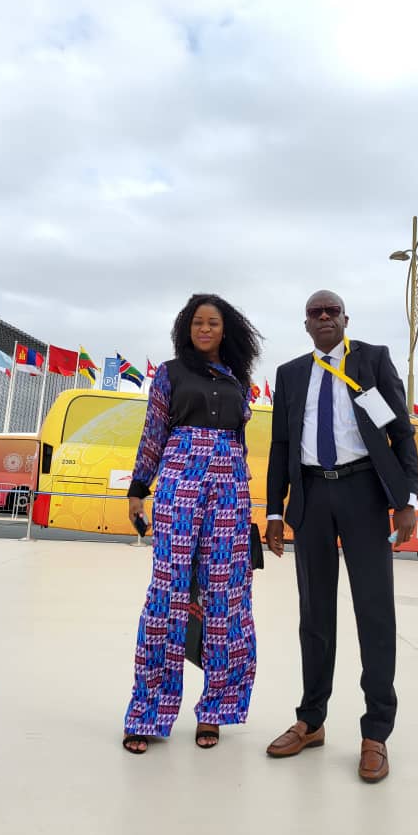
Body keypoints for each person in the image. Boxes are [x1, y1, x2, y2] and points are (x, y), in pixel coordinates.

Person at [264, 290, 418, 783]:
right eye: (316, 312)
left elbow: (401, 432)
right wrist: (274, 511)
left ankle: (376, 733)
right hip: (311, 497)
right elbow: (281, 445)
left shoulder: (372, 361)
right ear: (306, 324)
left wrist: (408, 500)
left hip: (364, 493)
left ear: (345, 319)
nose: (325, 317)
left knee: (374, 613)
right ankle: (311, 720)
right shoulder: (290, 374)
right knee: (314, 614)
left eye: (333, 310)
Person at [122, 294, 262, 754]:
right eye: (198, 322)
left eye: (213, 323)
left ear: (225, 330)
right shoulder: (169, 373)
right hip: (180, 480)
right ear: (187, 327)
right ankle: (148, 711)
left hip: (229, 487)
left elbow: (240, 440)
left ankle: (215, 710)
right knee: (168, 594)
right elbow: (153, 433)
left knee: (225, 598)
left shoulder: (238, 378)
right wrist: (138, 489)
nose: (205, 329)